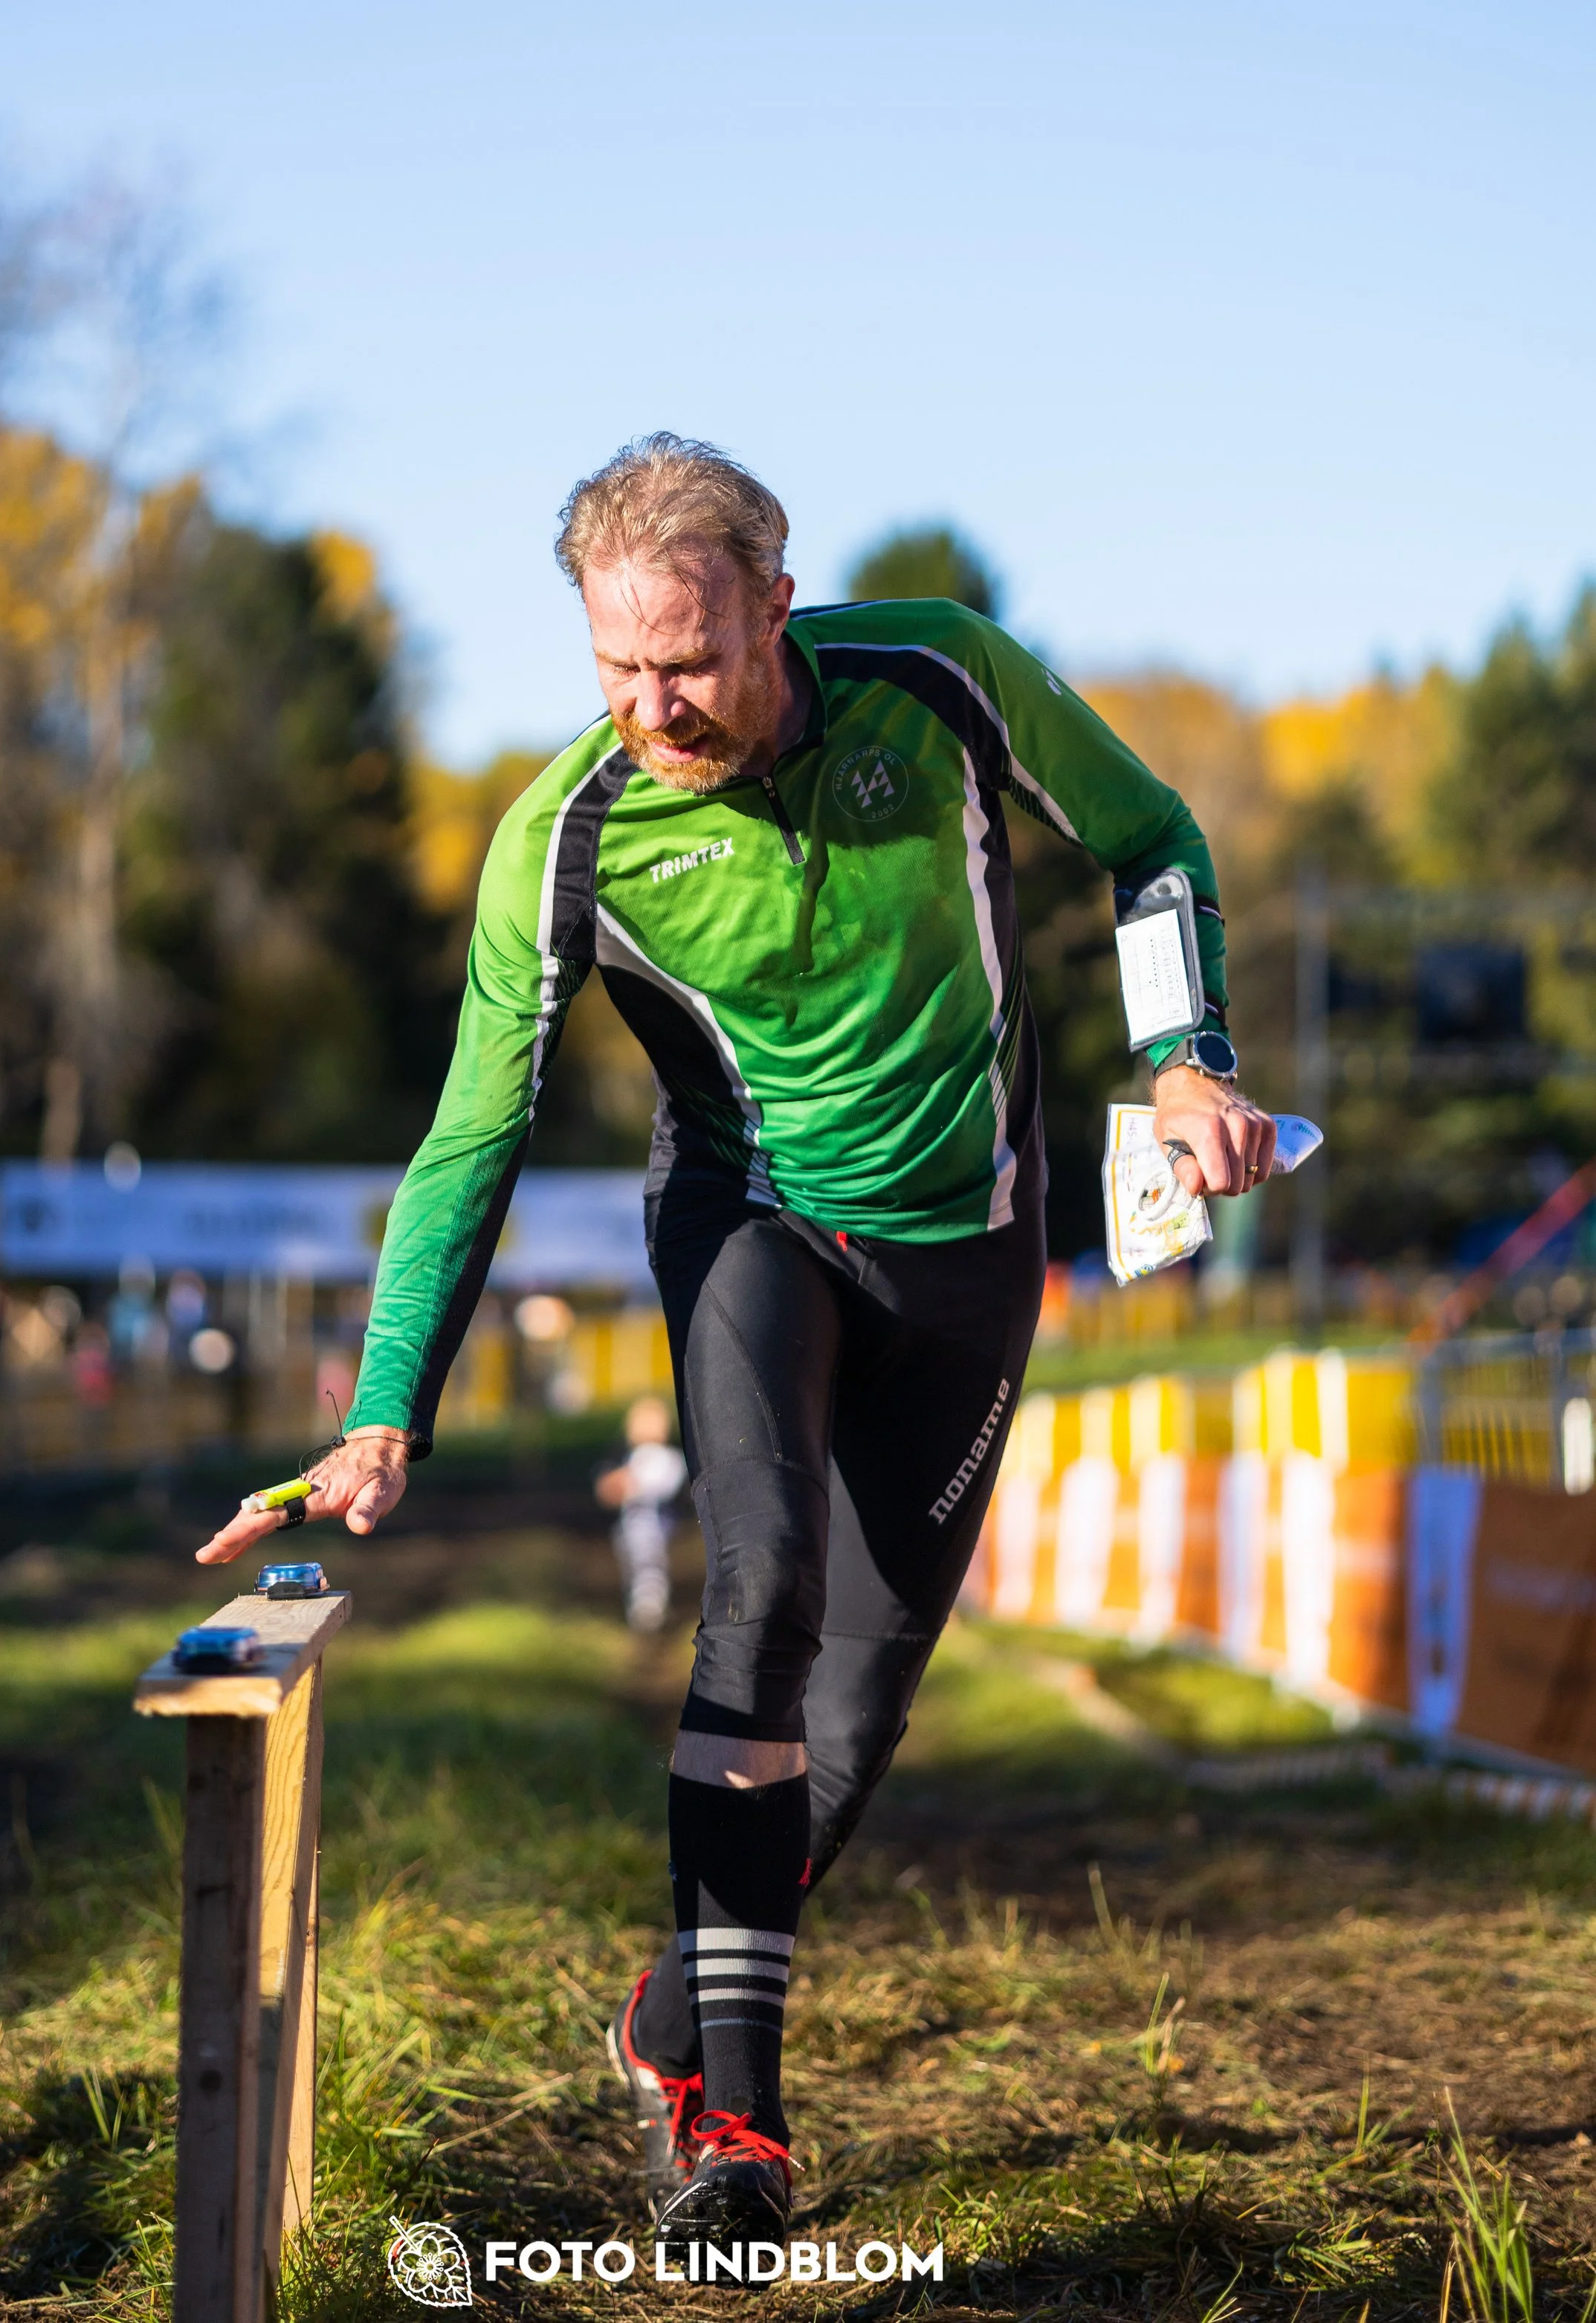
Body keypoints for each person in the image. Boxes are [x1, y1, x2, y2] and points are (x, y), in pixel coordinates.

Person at [197, 434, 1273, 2244]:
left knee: (848, 1725)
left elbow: (1152, 839)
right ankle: (737, 2130)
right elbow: (471, 1132)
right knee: (758, 1592)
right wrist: (386, 1407)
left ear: (776, 603)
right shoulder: (566, 835)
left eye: (687, 660)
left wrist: (1185, 1059)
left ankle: (673, 2011)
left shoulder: (938, 677)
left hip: (972, 1251)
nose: (650, 707)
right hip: (751, 1226)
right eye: (614, 665)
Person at [596, 1394, 687, 1632]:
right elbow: (608, 1489)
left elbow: (662, 1485)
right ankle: (640, 1608)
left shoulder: (667, 1459)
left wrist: (630, 1485)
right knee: (635, 1567)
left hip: (655, 1524)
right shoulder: (626, 1458)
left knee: (650, 1566)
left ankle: (650, 1612)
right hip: (631, 1524)